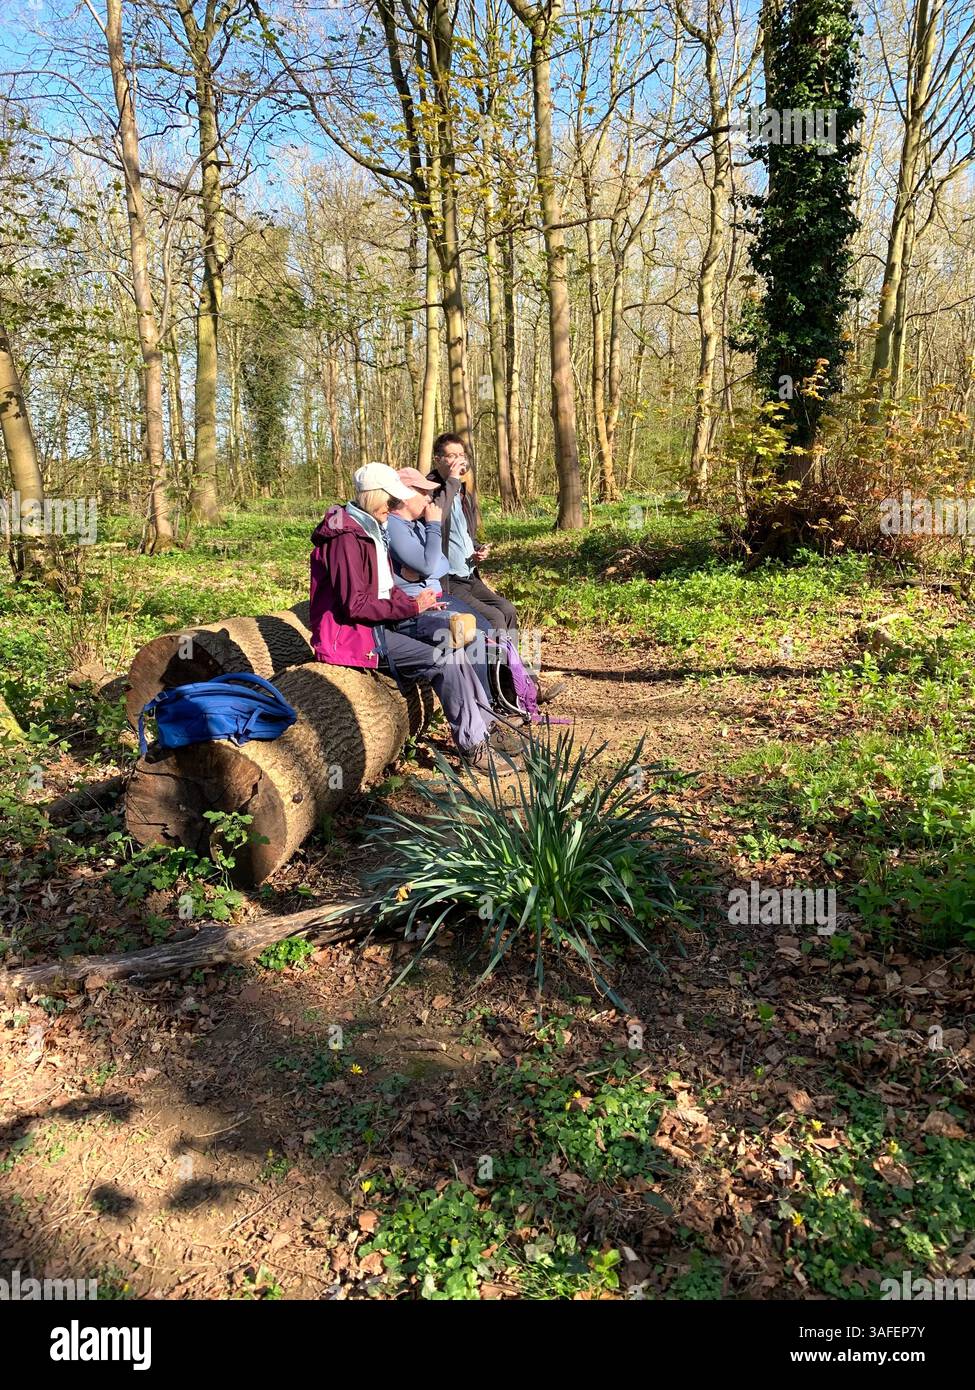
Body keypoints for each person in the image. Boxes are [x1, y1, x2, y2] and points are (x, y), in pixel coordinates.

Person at [309, 462, 513, 770]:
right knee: (447, 659)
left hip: (378, 625)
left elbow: (382, 589)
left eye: (396, 501)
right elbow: (356, 605)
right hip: (354, 637)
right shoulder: (347, 538)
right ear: (373, 497)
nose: (393, 508)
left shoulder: (367, 529)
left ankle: (483, 728)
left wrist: (416, 602)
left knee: (461, 644)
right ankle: (473, 747)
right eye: (390, 500)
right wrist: (410, 607)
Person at [426, 435, 565, 705]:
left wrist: (476, 548)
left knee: (508, 611)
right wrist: (453, 481)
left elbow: (461, 532)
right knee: (493, 620)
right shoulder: (430, 490)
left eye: (461, 455)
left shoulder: (463, 492)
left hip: (468, 573)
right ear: (438, 459)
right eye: (452, 456)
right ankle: (504, 695)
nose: (458, 461)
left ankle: (520, 682)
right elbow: (436, 520)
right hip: (446, 581)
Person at [386, 467, 493, 703]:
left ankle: (499, 696)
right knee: (473, 633)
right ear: (405, 494)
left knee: (487, 627)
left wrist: (424, 567)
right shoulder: (395, 526)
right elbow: (428, 565)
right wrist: (433, 526)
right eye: (423, 492)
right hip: (416, 609)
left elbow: (440, 564)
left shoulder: (415, 525)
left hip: (436, 598)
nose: (428, 498)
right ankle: (485, 707)